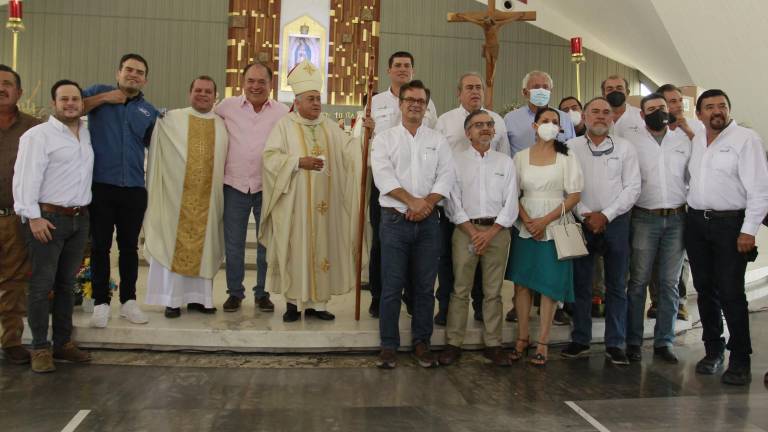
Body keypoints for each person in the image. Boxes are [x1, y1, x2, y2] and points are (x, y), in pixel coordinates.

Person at [259, 60, 362, 322]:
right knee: (296, 250)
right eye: (312, 99)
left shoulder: (328, 126)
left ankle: (318, 304)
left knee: (322, 250)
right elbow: (270, 158)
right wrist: (297, 162)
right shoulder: (285, 125)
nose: (317, 103)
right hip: (294, 207)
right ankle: (293, 304)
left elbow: (350, 151)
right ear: (298, 101)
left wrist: (365, 136)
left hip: (325, 207)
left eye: (318, 99)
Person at [686, 89, 768, 385]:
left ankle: (740, 359)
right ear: (699, 114)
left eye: (722, 106)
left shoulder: (747, 140)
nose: (716, 111)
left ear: (729, 110)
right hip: (696, 223)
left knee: (732, 292)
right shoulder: (697, 139)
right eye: (709, 107)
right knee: (704, 288)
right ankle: (713, 350)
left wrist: (749, 230)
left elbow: (760, 190)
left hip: (730, 225)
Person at [372, 80, 454, 369]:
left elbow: (446, 176)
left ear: (426, 106)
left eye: (421, 100)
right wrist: (412, 202)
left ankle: (422, 342)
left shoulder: (437, 140)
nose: (415, 104)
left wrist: (426, 204)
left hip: (429, 222)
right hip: (395, 220)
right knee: (392, 286)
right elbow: (382, 176)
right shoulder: (384, 139)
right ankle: (388, 345)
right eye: (410, 99)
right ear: (401, 103)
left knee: (423, 287)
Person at [13, 80, 93, 373]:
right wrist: (32, 216)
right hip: (48, 220)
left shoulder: (85, 134)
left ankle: (63, 343)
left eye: (75, 99)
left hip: (78, 219)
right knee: (41, 286)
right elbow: (24, 178)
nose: (70, 103)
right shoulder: (39, 136)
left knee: (65, 285)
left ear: (82, 103)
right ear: (54, 103)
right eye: (64, 99)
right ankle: (40, 348)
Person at [561, 97, 641, 365]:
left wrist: (605, 215)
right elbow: (565, 186)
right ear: (583, 116)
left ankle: (615, 343)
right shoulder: (570, 148)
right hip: (580, 220)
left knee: (617, 285)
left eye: (606, 113)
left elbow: (632, 188)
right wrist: (585, 213)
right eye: (594, 111)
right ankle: (580, 339)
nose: (600, 116)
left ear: (612, 118)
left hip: (615, 221)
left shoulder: (625, 148)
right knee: (581, 284)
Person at [83, 53, 159, 328]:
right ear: (118, 73)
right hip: (101, 185)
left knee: (129, 248)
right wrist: (105, 98)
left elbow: (160, 148)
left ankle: (128, 301)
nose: (133, 75)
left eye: (139, 72)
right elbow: (70, 107)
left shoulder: (149, 111)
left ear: (145, 80)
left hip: (134, 189)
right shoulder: (96, 94)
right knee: (101, 246)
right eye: (129, 70)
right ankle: (101, 303)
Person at [438, 109, 518, 367]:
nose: (485, 129)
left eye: (489, 125)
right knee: (460, 289)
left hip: (498, 231)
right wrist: (473, 233)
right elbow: (452, 201)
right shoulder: (456, 161)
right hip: (465, 232)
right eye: (478, 125)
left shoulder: (505, 162)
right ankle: (453, 343)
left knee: (493, 292)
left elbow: (511, 203)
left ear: (495, 131)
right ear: (467, 132)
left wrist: (491, 232)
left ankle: (493, 344)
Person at [143, 76, 228, 318]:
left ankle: (200, 300)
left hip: (209, 201)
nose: (203, 95)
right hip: (176, 200)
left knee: (206, 248)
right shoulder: (172, 119)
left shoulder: (221, 124)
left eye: (208, 91)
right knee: (173, 245)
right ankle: (172, 299)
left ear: (215, 96)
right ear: (189, 92)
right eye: (198, 90)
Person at [506, 108, 583, 366]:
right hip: (525, 224)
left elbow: (574, 195)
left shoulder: (567, 156)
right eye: (545, 121)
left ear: (560, 128)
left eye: (554, 122)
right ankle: (523, 337)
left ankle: (543, 342)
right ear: (534, 125)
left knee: (549, 285)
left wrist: (544, 221)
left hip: (554, 224)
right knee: (522, 283)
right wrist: (527, 220)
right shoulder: (520, 157)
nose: (549, 125)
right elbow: (512, 193)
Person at [433, 72, 511, 325]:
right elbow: (436, 160)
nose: (475, 92)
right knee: (449, 262)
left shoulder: (496, 120)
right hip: (454, 205)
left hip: (487, 207)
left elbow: (503, 156)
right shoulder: (445, 121)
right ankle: (446, 309)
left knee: (484, 266)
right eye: (469, 87)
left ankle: (481, 308)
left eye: (478, 87)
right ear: (459, 93)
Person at [365, 51, 438, 318]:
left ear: (413, 70)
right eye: (397, 65)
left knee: (415, 243)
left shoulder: (426, 103)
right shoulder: (375, 101)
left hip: (419, 185)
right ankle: (378, 294)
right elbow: (363, 141)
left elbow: (434, 138)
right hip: (385, 184)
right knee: (381, 241)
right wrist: (367, 130)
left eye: (407, 65)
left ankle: (409, 294)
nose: (402, 69)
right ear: (389, 71)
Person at [215, 62, 288, 313]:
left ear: (271, 84)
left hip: (267, 187)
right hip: (234, 185)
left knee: (265, 244)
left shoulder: (283, 112)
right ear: (242, 82)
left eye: (261, 82)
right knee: (233, 244)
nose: (255, 86)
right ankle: (235, 292)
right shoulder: (226, 107)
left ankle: (262, 293)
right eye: (251, 81)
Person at [624, 93, 690, 364]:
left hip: (677, 218)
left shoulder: (683, 140)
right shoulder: (632, 143)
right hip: (644, 218)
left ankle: (665, 341)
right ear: (642, 115)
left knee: (669, 282)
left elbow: (694, 175)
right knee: (638, 281)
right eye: (651, 109)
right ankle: (634, 341)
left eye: (661, 108)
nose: (657, 113)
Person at [0, 65, 40, 365]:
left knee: (14, 280)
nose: (2, 88)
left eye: (7, 84)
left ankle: (11, 339)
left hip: (14, 217)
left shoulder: (33, 128)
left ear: (19, 92)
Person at [504, 70, 576, 156]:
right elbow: (504, 151)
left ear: (551, 91)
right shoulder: (510, 119)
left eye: (545, 87)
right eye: (536, 87)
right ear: (525, 92)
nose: (541, 91)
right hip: (522, 167)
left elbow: (573, 149)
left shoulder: (565, 118)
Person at [601, 74, 644, 139]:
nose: (615, 91)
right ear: (603, 94)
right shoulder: (597, 117)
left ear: (627, 92)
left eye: (619, 88)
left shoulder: (641, 116)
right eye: (610, 89)